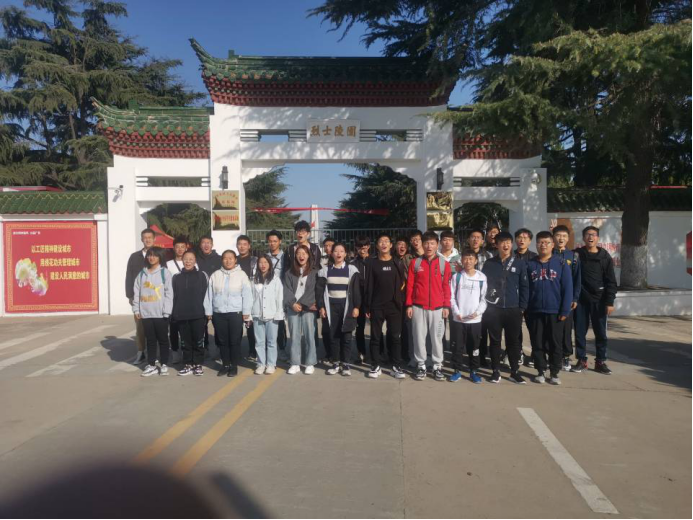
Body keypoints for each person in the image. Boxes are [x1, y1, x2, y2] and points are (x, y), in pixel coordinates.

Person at [525, 231, 573, 385]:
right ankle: (540, 370)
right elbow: (525, 288)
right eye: (540, 242)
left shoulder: (561, 264)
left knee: (555, 343)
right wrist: (525, 308)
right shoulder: (530, 264)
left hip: (555, 312)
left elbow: (567, 289)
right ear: (536, 245)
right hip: (535, 311)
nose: (543, 245)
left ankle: (554, 372)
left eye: (547, 242)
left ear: (553, 245)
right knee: (537, 342)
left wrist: (565, 310)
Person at [482, 232, 530, 384]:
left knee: (513, 342)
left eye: (508, 242)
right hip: (493, 309)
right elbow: (483, 286)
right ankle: (495, 371)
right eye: (502, 242)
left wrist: (522, 307)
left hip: (513, 309)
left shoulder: (519, 263)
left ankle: (514, 371)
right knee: (495, 341)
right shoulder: (489, 264)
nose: (506, 245)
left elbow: (525, 286)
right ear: (496, 245)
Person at [406, 231, 452, 381]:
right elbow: (410, 285)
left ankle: (437, 366)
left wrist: (446, 306)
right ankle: (421, 365)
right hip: (418, 307)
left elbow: (446, 287)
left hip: (438, 309)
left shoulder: (444, 264)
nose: (429, 246)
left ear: (437, 245)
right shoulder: (416, 263)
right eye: (426, 243)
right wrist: (409, 305)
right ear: (422, 244)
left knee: (437, 338)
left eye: (432, 243)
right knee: (418, 337)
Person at [572, 226, 617, 375]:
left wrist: (610, 302)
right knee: (580, 332)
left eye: (593, 235)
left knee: (601, 333)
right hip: (581, 300)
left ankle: (600, 361)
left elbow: (611, 281)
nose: (590, 237)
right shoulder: (577, 255)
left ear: (597, 238)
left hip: (600, 300)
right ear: (583, 238)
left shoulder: (605, 257)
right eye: (587, 235)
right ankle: (581, 360)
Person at [363, 233, 406, 379]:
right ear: (377, 246)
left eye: (386, 241)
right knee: (375, 337)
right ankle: (375, 366)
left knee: (395, 337)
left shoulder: (397, 262)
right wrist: (367, 306)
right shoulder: (372, 263)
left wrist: (400, 302)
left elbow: (402, 283)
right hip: (376, 306)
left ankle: (396, 366)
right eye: (381, 241)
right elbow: (368, 285)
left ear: (391, 245)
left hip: (394, 306)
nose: (384, 244)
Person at [205, 250, 252, 377]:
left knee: (234, 340)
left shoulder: (241, 275)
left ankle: (234, 366)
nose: (228, 260)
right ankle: (225, 364)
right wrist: (208, 311)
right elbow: (209, 294)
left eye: (231, 258)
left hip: (235, 312)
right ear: (222, 260)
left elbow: (247, 294)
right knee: (222, 340)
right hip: (218, 312)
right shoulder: (216, 275)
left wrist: (246, 311)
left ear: (235, 260)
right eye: (225, 258)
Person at [316, 242, 361, 377]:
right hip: (331, 307)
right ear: (332, 253)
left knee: (346, 336)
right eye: (336, 251)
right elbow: (319, 291)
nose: (339, 253)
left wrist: (356, 307)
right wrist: (321, 307)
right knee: (333, 336)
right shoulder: (325, 271)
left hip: (347, 307)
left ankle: (345, 364)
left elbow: (356, 290)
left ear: (345, 254)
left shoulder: (351, 270)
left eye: (341, 251)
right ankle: (335, 363)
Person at [132, 247, 173, 377]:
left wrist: (167, 311)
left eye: (155, 255)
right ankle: (151, 365)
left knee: (163, 339)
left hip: (160, 313)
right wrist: (136, 309)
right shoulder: (142, 274)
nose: (151, 257)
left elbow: (169, 293)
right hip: (146, 313)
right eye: (149, 255)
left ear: (160, 257)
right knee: (150, 340)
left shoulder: (165, 273)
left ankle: (164, 364)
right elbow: (137, 293)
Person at [449, 248, 487, 384]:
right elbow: (451, 297)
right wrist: (456, 312)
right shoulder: (457, 277)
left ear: (476, 261)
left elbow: (484, 299)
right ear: (462, 260)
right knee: (457, 347)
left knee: (474, 348)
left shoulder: (481, 277)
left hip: (475, 320)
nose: (468, 261)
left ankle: (473, 371)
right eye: (465, 258)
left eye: (471, 258)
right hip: (459, 319)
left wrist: (477, 312)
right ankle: (456, 371)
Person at [283, 245, 319, 375]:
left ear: (309, 255)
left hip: (308, 308)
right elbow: (286, 290)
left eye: (304, 253)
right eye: (298, 253)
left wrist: (302, 303)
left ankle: (310, 363)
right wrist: (292, 303)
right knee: (294, 336)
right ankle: (295, 363)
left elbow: (313, 290)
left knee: (309, 335)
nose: (301, 256)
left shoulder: (315, 272)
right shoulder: (289, 272)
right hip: (293, 307)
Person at [171, 250, 208, 377]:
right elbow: (173, 296)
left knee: (198, 340)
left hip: (198, 314)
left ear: (195, 261)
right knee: (185, 341)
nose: (188, 262)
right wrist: (174, 313)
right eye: (186, 259)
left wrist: (206, 312)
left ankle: (198, 364)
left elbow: (206, 295)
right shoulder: (176, 277)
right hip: (181, 314)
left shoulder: (201, 275)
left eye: (191, 259)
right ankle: (187, 364)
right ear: (182, 260)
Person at [552, 225, 582, 371]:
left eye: (564, 236)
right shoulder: (548, 254)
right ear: (553, 237)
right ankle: (551, 354)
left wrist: (574, 298)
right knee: (550, 327)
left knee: (566, 329)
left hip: (567, 299)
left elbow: (577, 280)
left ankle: (565, 356)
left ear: (568, 238)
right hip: (551, 298)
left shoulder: (573, 256)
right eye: (558, 235)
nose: (561, 238)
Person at [126, 228, 156, 364]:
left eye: (150, 237)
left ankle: (154, 353)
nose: (147, 240)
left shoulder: (160, 254)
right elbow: (129, 276)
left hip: (155, 297)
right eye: (145, 238)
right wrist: (130, 295)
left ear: (154, 239)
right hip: (139, 297)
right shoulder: (134, 257)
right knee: (140, 326)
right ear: (141, 239)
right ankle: (141, 351)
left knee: (156, 326)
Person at [251, 255, 284, 375]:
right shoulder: (253, 280)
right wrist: (249, 314)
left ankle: (271, 364)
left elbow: (279, 297)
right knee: (259, 342)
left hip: (272, 315)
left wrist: (279, 313)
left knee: (271, 342)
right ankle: (260, 364)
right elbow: (251, 297)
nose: (263, 265)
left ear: (270, 264)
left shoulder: (275, 279)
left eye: (265, 262)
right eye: (261, 262)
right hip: (257, 314)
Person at [167, 236, 196, 365]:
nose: (180, 249)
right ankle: (175, 352)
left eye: (182, 247)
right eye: (177, 247)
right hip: (174, 302)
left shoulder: (193, 262)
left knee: (189, 330)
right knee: (173, 329)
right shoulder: (168, 264)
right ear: (173, 248)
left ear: (186, 247)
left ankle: (190, 353)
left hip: (189, 302)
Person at [468, 228, 494, 366]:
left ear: (483, 241)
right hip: (468, 297)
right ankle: (470, 356)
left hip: (484, 298)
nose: (475, 239)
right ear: (468, 239)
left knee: (483, 329)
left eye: (478, 237)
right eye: (473, 237)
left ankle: (482, 356)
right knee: (470, 329)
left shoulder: (489, 256)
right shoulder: (463, 256)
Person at [513, 228, 537, 367]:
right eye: (519, 237)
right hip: (515, 299)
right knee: (516, 328)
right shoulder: (511, 256)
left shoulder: (534, 257)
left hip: (532, 298)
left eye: (525, 238)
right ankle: (518, 352)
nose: (522, 240)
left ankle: (535, 354)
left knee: (534, 328)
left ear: (530, 241)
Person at [196, 235, 222, 349]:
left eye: (208, 243)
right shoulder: (195, 259)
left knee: (218, 323)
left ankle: (219, 346)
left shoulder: (219, 259)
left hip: (216, 295)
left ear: (212, 245)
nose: (206, 245)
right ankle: (204, 345)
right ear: (200, 245)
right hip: (200, 295)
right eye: (203, 242)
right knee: (202, 324)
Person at [236, 235, 258, 361]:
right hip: (237, 298)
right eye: (240, 244)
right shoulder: (234, 260)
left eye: (245, 244)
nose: (242, 246)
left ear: (249, 246)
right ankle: (236, 351)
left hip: (251, 297)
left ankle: (252, 351)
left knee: (250, 326)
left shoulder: (255, 260)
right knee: (236, 327)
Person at [266, 230, 287, 356]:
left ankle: (282, 348)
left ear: (280, 241)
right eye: (270, 241)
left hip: (281, 294)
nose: (272, 243)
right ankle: (269, 349)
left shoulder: (286, 257)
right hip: (267, 294)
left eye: (275, 241)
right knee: (267, 321)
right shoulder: (265, 257)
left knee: (279, 321)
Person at [352, 235, 372, 365]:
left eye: (365, 246)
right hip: (358, 300)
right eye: (359, 247)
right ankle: (361, 353)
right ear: (356, 248)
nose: (362, 249)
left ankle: (377, 353)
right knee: (359, 328)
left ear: (369, 246)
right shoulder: (353, 264)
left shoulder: (374, 261)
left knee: (375, 328)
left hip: (372, 299)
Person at [394, 236, 412, 365]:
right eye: (399, 244)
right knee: (394, 327)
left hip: (406, 297)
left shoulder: (411, 259)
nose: (402, 246)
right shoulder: (391, 259)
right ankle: (393, 353)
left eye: (404, 244)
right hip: (393, 297)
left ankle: (405, 353)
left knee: (406, 327)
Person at [319, 236, 336, 361]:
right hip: (325, 299)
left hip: (338, 299)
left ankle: (337, 353)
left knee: (337, 328)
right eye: (326, 245)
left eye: (330, 245)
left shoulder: (342, 261)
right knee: (325, 329)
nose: (328, 248)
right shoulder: (321, 261)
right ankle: (329, 352)